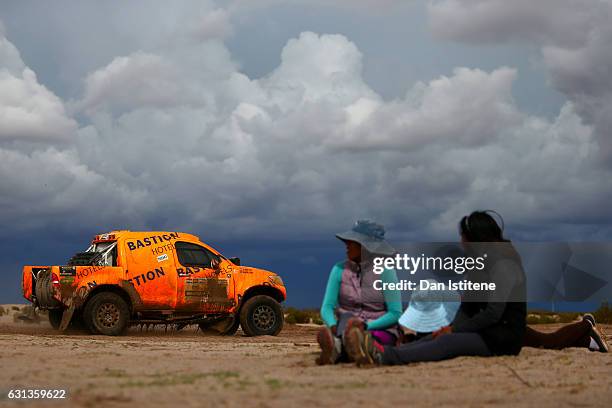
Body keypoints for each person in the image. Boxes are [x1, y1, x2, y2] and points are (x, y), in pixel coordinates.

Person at [345, 210, 528, 366]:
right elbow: (467, 307)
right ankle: (385, 350)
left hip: (501, 338)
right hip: (483, 331)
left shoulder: (504, 264)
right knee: (435, 337)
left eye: (464, 237)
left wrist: (454, 331)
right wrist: (449, 328)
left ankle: (385, 356)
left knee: (447, 342)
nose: (462, 242)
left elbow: (493, 313)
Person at [316, 220, 402, 365]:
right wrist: (332, 324)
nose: (347, 246)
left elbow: (395, 313)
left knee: (367, 337)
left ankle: (345, 348)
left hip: (378, 328)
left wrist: (366, 325)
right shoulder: (338, 269)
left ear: (365, 247)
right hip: (345, 326)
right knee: (347, 332)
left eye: (352, 242)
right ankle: (345, 346)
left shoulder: (386, 271)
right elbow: (327, 307)